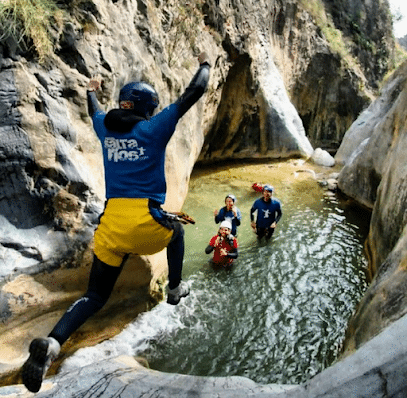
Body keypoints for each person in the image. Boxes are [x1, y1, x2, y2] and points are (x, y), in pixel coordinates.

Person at [21, 52, 211, 393]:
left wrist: (92, 90)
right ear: (147, 108)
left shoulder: (105, 128)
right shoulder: (153, 128)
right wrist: (205, 63)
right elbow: (193, 92)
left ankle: (52, 344)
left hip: (110, 227)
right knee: (177, 231)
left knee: (95, 295)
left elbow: (95, 110)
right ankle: (175, 288)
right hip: (143, 220)